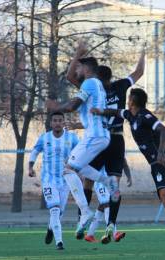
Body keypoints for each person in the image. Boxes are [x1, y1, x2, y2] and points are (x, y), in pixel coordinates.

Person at [92, 88, 165, 256]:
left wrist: (160, 152)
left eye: (129, 98)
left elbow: (164, 131)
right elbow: (114, 111)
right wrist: (98, 111)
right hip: (156, 164)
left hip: (163, 161)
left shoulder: (145, 115)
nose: (127, 101)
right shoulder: (130, 115)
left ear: (133, 101)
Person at [65, 41, 144, 243]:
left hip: (100, 138)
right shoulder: (119, 86)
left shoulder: (92, 87)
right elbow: (138, 72)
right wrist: (143, 50)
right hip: (115, 138)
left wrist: (77, 54)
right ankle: (111, 225)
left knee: (85, 177)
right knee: (113, 184)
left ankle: (82, 221)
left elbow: (70, 77)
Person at [46, 55, 119, 240]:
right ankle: (107, 181)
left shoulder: (89, 83)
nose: (76, 72)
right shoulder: (98, 86)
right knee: (74, 168)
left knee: (68, 169)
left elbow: (73, 105)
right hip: (99, 136)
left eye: (78, 68)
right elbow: (81, 102)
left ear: (86, 68)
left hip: (94, 137)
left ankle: (85, 211)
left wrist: (56, 106)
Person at [28, 111, 79, 250]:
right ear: (51, 123)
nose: (57, 123)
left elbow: (81, 153)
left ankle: (51, 228)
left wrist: (81, 170)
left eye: (60, 120)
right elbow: (35, 151)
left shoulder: (72, 138)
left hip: (65, 181)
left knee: (59, 212)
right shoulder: (44, 138)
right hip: (48, 180)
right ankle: (59, 242)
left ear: (63, 123)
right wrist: (30, 167)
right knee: (54, 210)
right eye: (54, 120)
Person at [84, 169, 111, 243]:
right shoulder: (97, 157)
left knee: (101, 207)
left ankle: (90, 234)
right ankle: (112, 232)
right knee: (107, 204)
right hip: (100, 183)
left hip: (107, 182)